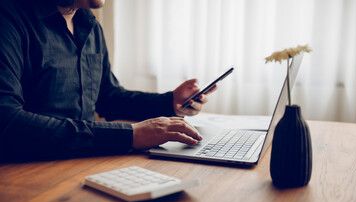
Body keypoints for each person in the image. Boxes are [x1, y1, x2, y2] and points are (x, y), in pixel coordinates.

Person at [0, 0, 216, 161]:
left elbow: (108, 97)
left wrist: (171, 103)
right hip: (23, 172)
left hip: (84, 162)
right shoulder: (8, 18)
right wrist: (129, 135)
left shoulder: (89, 25)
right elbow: (7, 121)